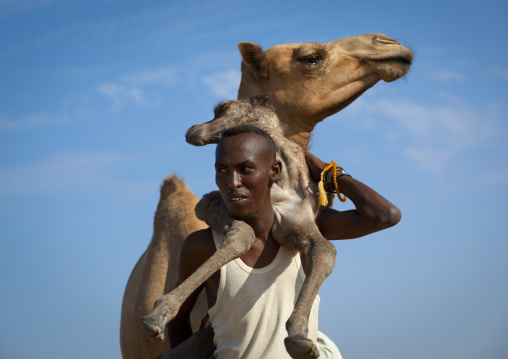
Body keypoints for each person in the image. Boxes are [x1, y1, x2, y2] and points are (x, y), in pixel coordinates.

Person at [168, 125, 401, 358]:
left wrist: (330, 174)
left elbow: (385, 215)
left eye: (246, 169)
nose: (233, 182)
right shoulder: (203, 245)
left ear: (274, 171)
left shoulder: (307, 231)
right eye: (222, 170)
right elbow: (177, 320)